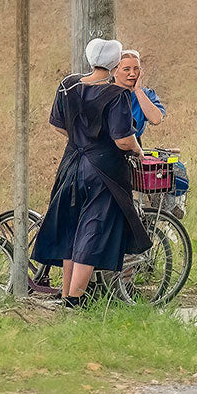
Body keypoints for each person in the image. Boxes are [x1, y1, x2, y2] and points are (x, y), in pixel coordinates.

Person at [31, 38, 152, 308]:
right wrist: (139, 151)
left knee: (71, 230)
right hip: (104, 170)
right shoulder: (116, 94)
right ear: (113, 63)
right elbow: (122, 139)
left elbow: (59, 124)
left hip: (71, 163)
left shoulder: (68, 84)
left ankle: (66, 294)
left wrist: (80, 140)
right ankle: (75, 300)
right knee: (92, 230)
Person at [112, 50, 189, 218]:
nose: (132, 73)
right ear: (114, 70)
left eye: (136, 69)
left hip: (134, 146)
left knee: (175, 170)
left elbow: (155, 118)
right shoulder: (107, 94)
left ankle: (167, 216)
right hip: (112, 148)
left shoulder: (146, 94)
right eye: (126, 69)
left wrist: (138, 91)